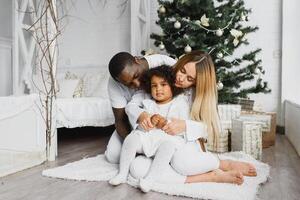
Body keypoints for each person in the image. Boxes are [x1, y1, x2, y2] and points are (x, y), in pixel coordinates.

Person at [127, 51, 257, 187]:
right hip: (154, 143)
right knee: (137, 169)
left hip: (181, 145)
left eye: (190, 79)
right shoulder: (159, 78)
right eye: (182, 70)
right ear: (180, 63)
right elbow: (132, 106)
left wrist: (186, 125)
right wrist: (143, 115)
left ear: (197, 82)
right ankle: (210, 176)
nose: (181, 79)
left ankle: (222, 164)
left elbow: (207, 127)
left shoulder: (194, 95)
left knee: (181, 164)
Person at [109, 66, 191, 186]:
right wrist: (148, 122)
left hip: (167, 139)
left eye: (163, 84)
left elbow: (182, 128)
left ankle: (150, 180)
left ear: (173, 85)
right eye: (154, 85)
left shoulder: (180, 103)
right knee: (132, 138)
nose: (158, 89)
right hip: (149, 138)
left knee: (168, 147)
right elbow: (142, 127)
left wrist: (165, 123)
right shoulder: (148, 104)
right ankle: (122, 173)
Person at [104, 52, 176, 164]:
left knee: (172, 153)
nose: (137, 84)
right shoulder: (114, 84)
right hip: (134, 126)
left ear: (137, 60)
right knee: (113, 156)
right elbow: (121, 120)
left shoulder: (163, 62)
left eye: (136, 75)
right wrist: (135, 145)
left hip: (165, 120)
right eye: (129, 84)